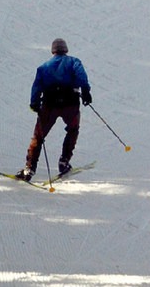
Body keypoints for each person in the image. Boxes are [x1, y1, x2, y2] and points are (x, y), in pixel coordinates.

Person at [14, 37, 92, 181]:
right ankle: (64, 161)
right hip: (70, 104)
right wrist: (86, 91)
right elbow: (81, 76)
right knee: (73, 130)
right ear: (66, 50)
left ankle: (29, 169)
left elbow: (36, 86)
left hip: (50, 105)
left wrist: (35, 103)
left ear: (53, 51)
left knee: (39, 136)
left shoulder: (43, 67)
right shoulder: (74, 62)